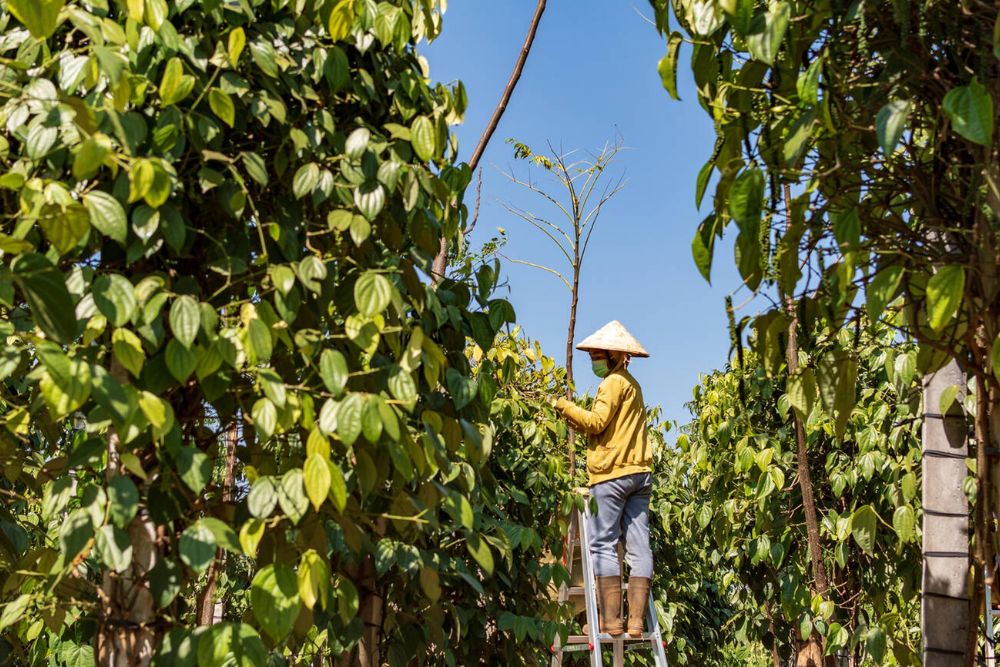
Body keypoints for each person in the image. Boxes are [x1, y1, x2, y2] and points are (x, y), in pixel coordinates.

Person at [551, 320, 653, 637]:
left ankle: (611, 621)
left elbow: (596, 422)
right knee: (639, 547)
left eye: (597, 354)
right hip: (640, 474)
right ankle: (636, 621)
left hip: (612, 474)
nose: (594, 359)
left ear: (612, 354)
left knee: (603, 545)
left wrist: (563, 406)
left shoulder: (612, 383)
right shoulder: (632, 384)